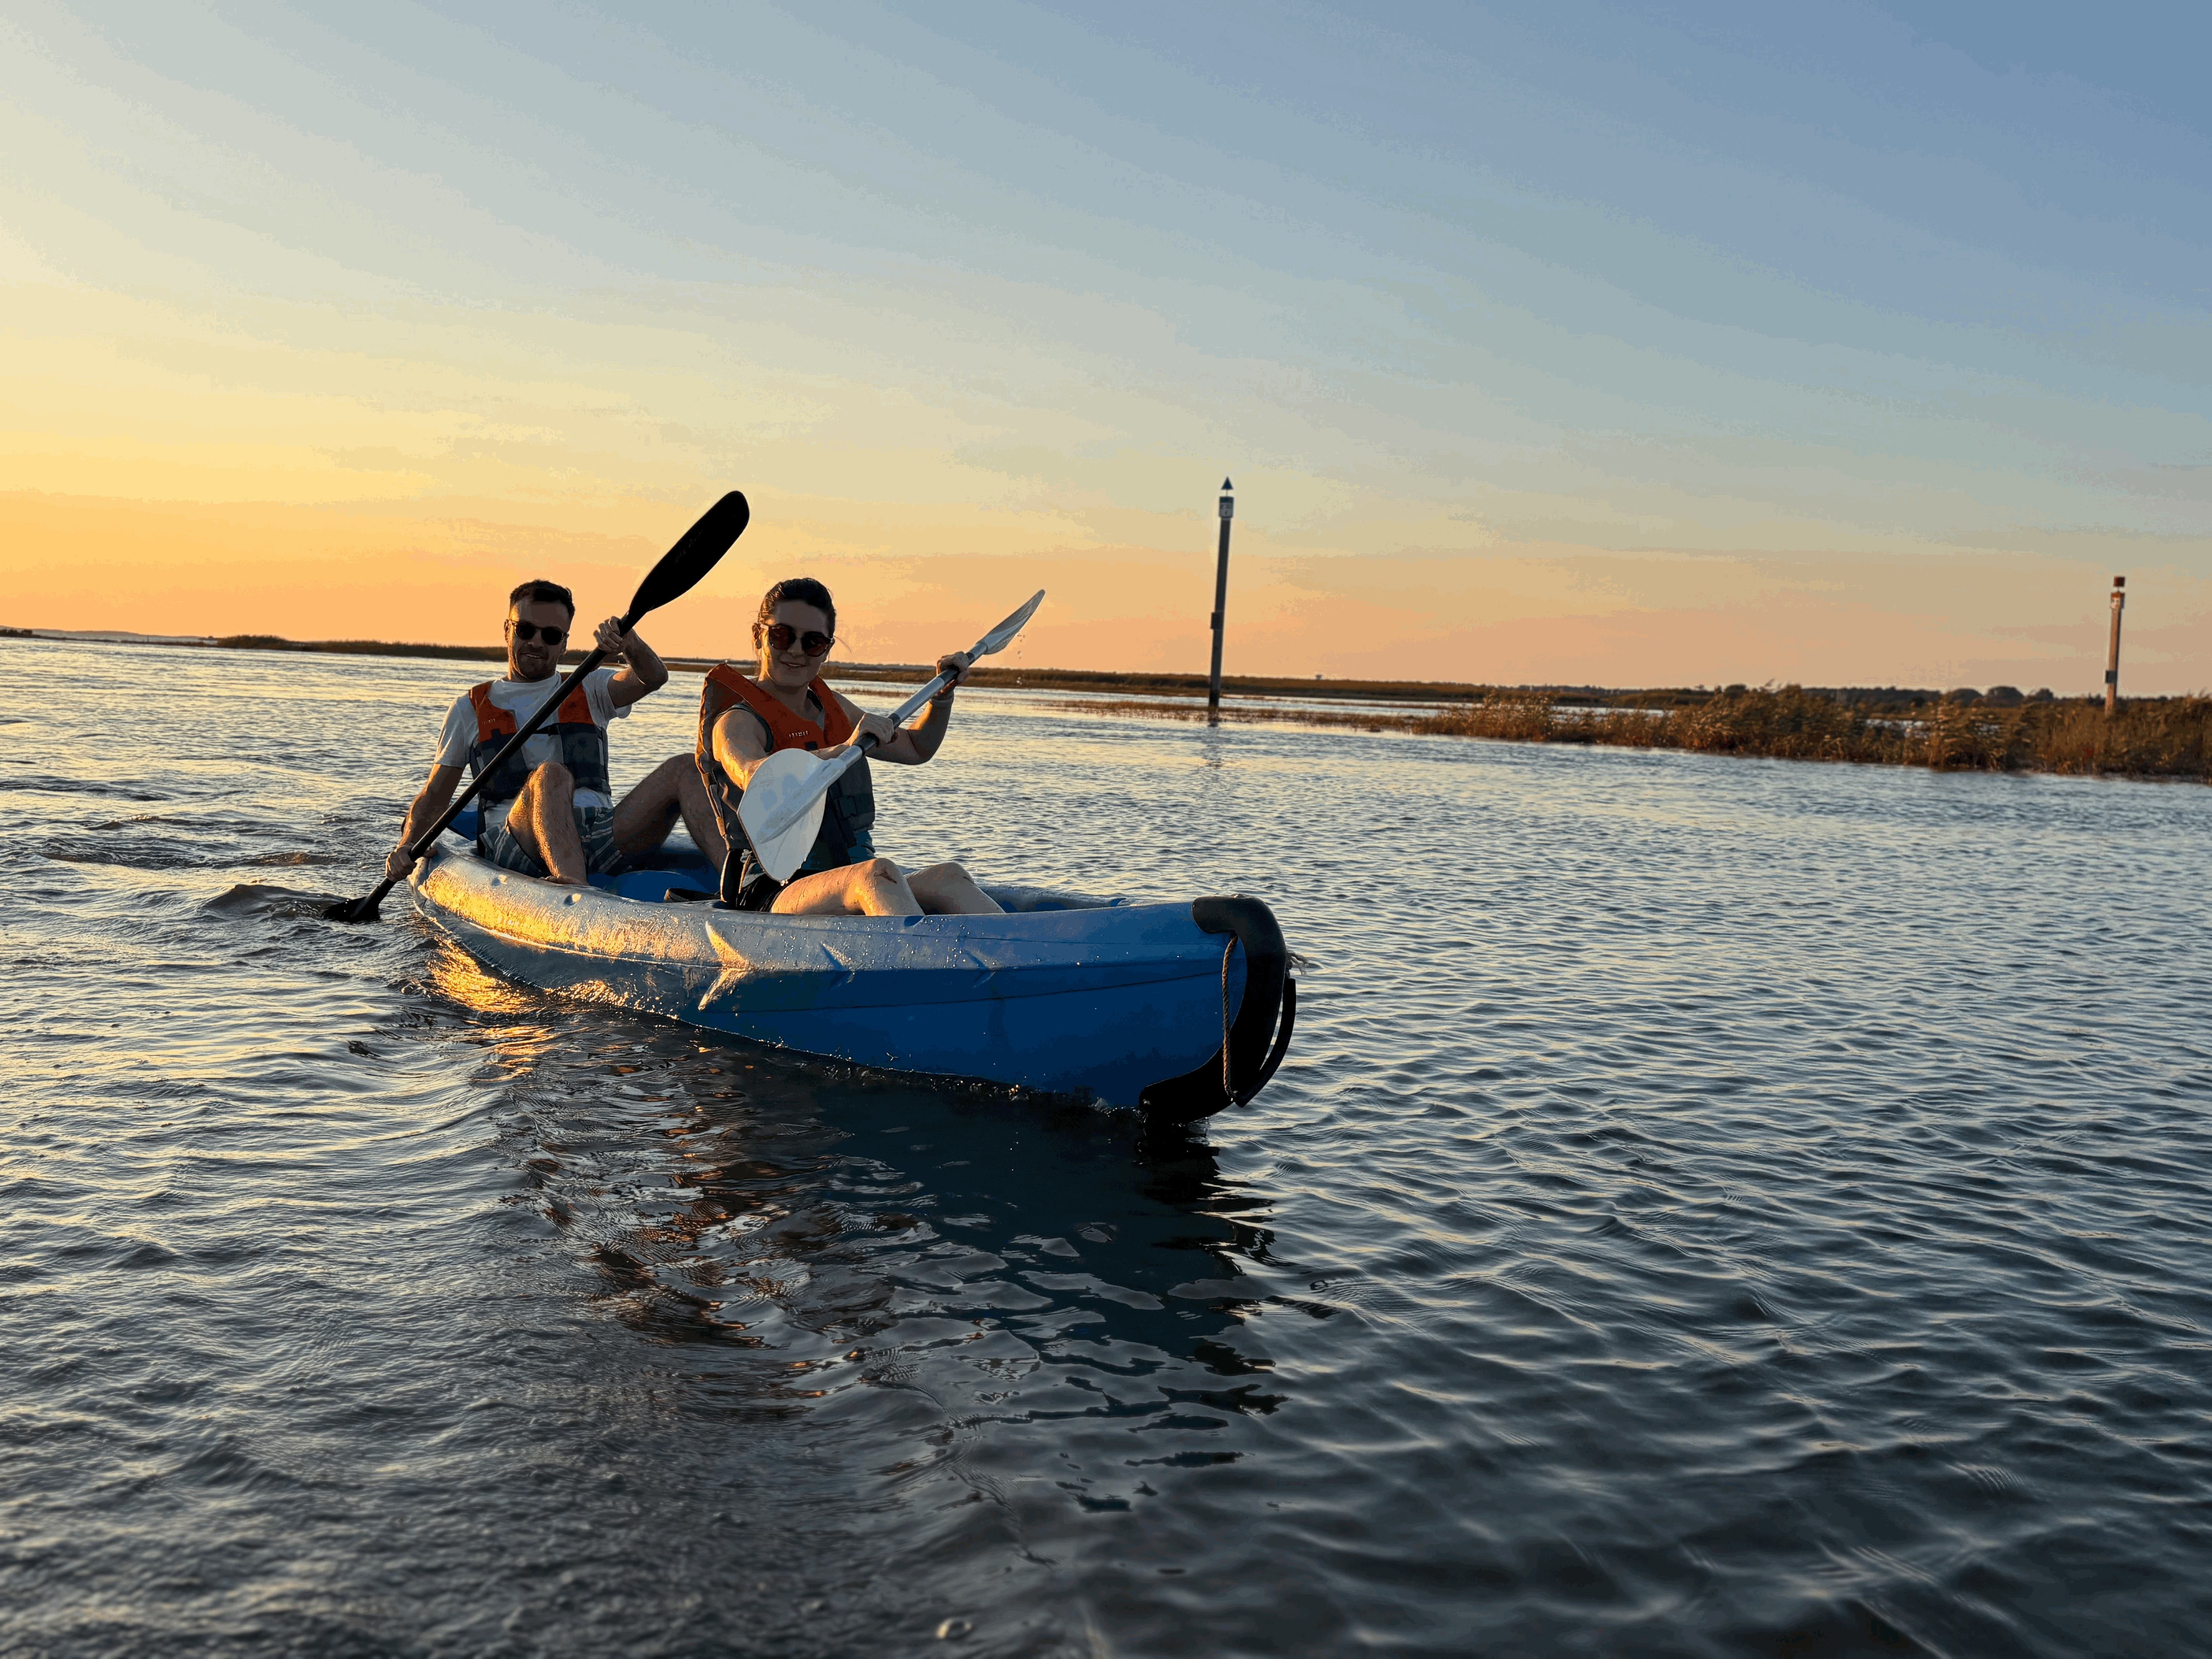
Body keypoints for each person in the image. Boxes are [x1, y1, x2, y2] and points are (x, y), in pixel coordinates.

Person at [385, 579, 726, 886]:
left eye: (550, 636)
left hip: (597, 834)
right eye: (525, 630)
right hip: (518, 842)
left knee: (685, 767)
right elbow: (435, 796)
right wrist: (406, 846)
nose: (536, 642)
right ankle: (573, 890)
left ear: (564, 644)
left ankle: (743, 886)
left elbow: (653, 678)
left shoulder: (589, 686)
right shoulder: (469, 708)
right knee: (550, 775)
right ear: (507, 630)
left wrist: (630, 643)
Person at [694, 577, 1002, 916]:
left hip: (844, 877)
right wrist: (843, 748)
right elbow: (757, 776)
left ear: (826, 650)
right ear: (758, 636)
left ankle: (1017, 961)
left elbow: (916, 748)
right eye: (782, 636)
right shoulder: (736, 722)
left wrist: (942, 700)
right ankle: (913, 963)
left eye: (812, 642)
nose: (796, 651)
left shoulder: (834, 710)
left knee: (950, 877)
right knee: (875, 876)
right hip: (770, 891)